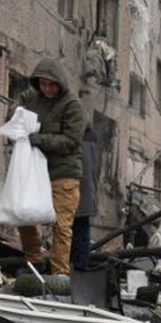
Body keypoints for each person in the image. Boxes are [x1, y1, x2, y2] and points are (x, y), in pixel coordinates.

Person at [16, 57, 84, 274]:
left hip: (63, 173)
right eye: (43, 84)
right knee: (23, 215)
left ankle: (59, 275)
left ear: (60, 83)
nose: (47, 89)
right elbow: (17, 105)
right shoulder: (32, 96)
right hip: (36, 172)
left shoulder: (72, 105)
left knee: (62, 226)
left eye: (51, 84)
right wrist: (16, 117)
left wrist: (41, 140)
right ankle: (33, 262)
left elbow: (72, 140)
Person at [71, 124, 98, 271]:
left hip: (77, 193)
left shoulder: (80, 139)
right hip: (84, 194)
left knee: (77, 233)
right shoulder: (89, 137)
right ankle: (79, 266)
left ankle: (78, 268)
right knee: (81, 232)